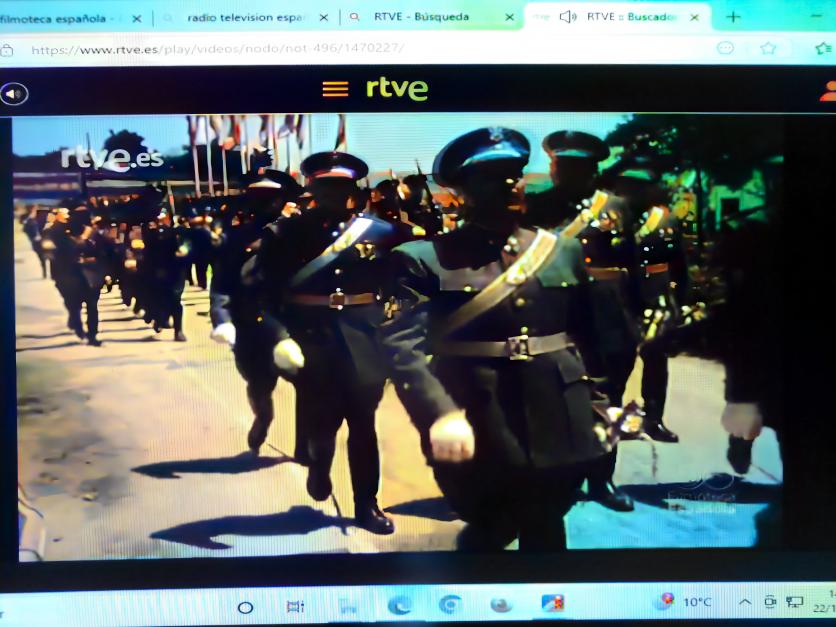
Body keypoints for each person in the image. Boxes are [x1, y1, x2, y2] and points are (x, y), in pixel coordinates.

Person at [379, 128, 615, 551]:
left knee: (548, 528)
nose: (510, 183)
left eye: (515, 173)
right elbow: (401, 350)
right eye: (491, 175)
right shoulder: (424, 259)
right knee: (489, 531)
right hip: (476, 419)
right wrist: (439, 414)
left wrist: (599, 405)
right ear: (463, 192)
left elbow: (591, 337)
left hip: (561, 416)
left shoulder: (562, 251)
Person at [243, 151, 409, 535]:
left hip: (365, 339)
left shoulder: (382, 233)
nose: (334, 194)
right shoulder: (284, 234)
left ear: (353, 189)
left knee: (363, 423)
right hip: (311, 339)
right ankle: (319, 465)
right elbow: (261, 295)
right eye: (326, 187)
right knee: (322, 421)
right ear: (312, 189)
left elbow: (402, 285)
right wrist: (279, 337)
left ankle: (366, 504)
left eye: (341, 187)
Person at [527, 131, 637, 511]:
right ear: (553, 168)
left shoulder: (617, 207)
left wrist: (638, 317)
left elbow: (632, 264)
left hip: (607, 318)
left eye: (576, 167)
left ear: (592, 170)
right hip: (553, 316)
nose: (566, 173)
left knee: (609, 400)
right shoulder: (535, 207)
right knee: (552, 398)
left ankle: (601, 480)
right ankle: (559, 476)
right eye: (561, 165)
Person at [209, 170, 303, 455]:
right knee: (258, 383)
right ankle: (263, 417)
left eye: (271, 198)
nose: (265, 204)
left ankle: (305, 444)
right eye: (258, 197)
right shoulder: (236, 239)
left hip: (293, 323)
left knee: (307, 383)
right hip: (250, 324)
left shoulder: (300, 233)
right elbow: (222, 284)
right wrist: (222, 320)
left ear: (282, 200)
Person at [608, 154, 684, 443]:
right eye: (626, 185)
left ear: (651, 189)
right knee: (618, 363)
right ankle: (613, 418)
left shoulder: (666, 221)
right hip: (621, 300)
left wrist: (680, 303)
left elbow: (679, 265)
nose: (631, 192)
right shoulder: (610, 220)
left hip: (655, 300)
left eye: (638, 186)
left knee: (656, 361)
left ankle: (654, 420)